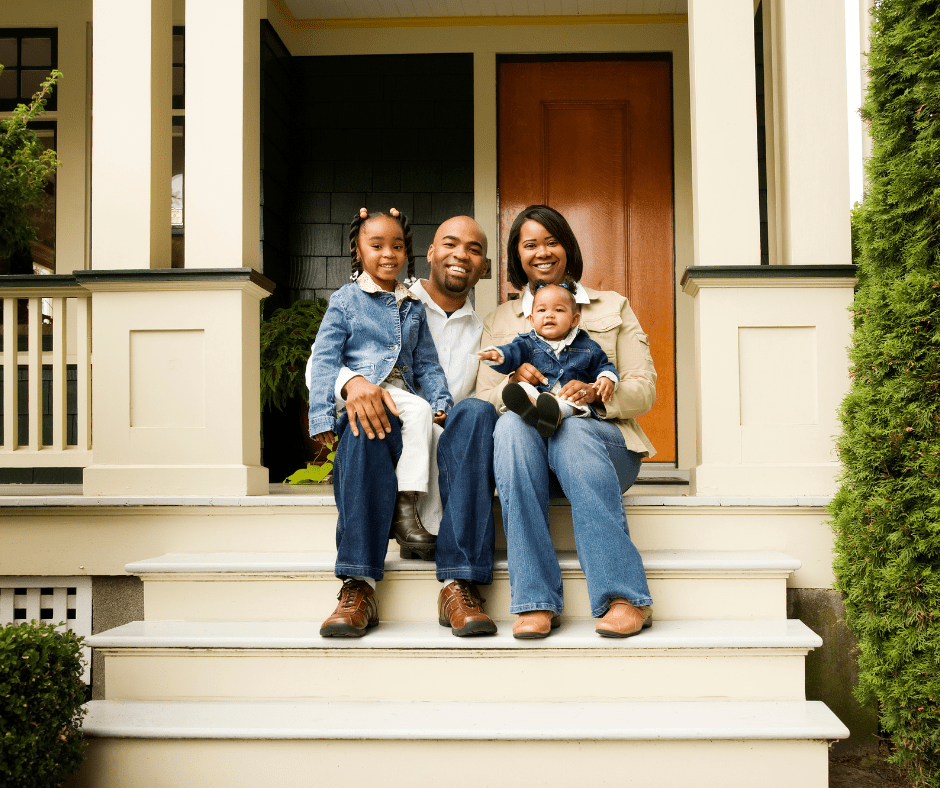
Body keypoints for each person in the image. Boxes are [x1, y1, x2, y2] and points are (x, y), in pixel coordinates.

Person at [312, 211, 499, 638]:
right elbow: (319, 363)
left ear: (485, 266)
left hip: (447, 444)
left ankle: (458, 584)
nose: (461, 255)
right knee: (365, 417)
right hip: (385, 433)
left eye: (474, 249)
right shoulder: (379, 298)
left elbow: (432, 369)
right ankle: (359, 584)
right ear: (430, 253)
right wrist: (353, 383)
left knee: (477, 413)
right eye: (450, 243)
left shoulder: (487, 330)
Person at [476, 204, 657, 640]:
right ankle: (535, 600)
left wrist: (596, 394)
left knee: (572, 430)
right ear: (517, 255)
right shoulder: (501, 321)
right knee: (510, 425)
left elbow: (643, 388)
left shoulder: (612, 306)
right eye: (530, 244)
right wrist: (514, 383)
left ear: (568, 247)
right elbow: (483, 398)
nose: (542, 252)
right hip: (528, 457)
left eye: (552, 241)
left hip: (602, 448)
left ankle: (624, 596)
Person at [478, 279, 619, 437]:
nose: (549, 315)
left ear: (574, 320)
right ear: (532, 320)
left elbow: (603, 365)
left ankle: (555, 414)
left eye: (558, 310)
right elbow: (512, 353)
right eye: (542, 310)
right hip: (539, 396)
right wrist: (498, 355)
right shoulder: (526, 343)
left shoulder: (587, 346)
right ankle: (530, 409)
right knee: (522, 388)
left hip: (568, 398)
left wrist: (607, 378)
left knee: (574, 402)